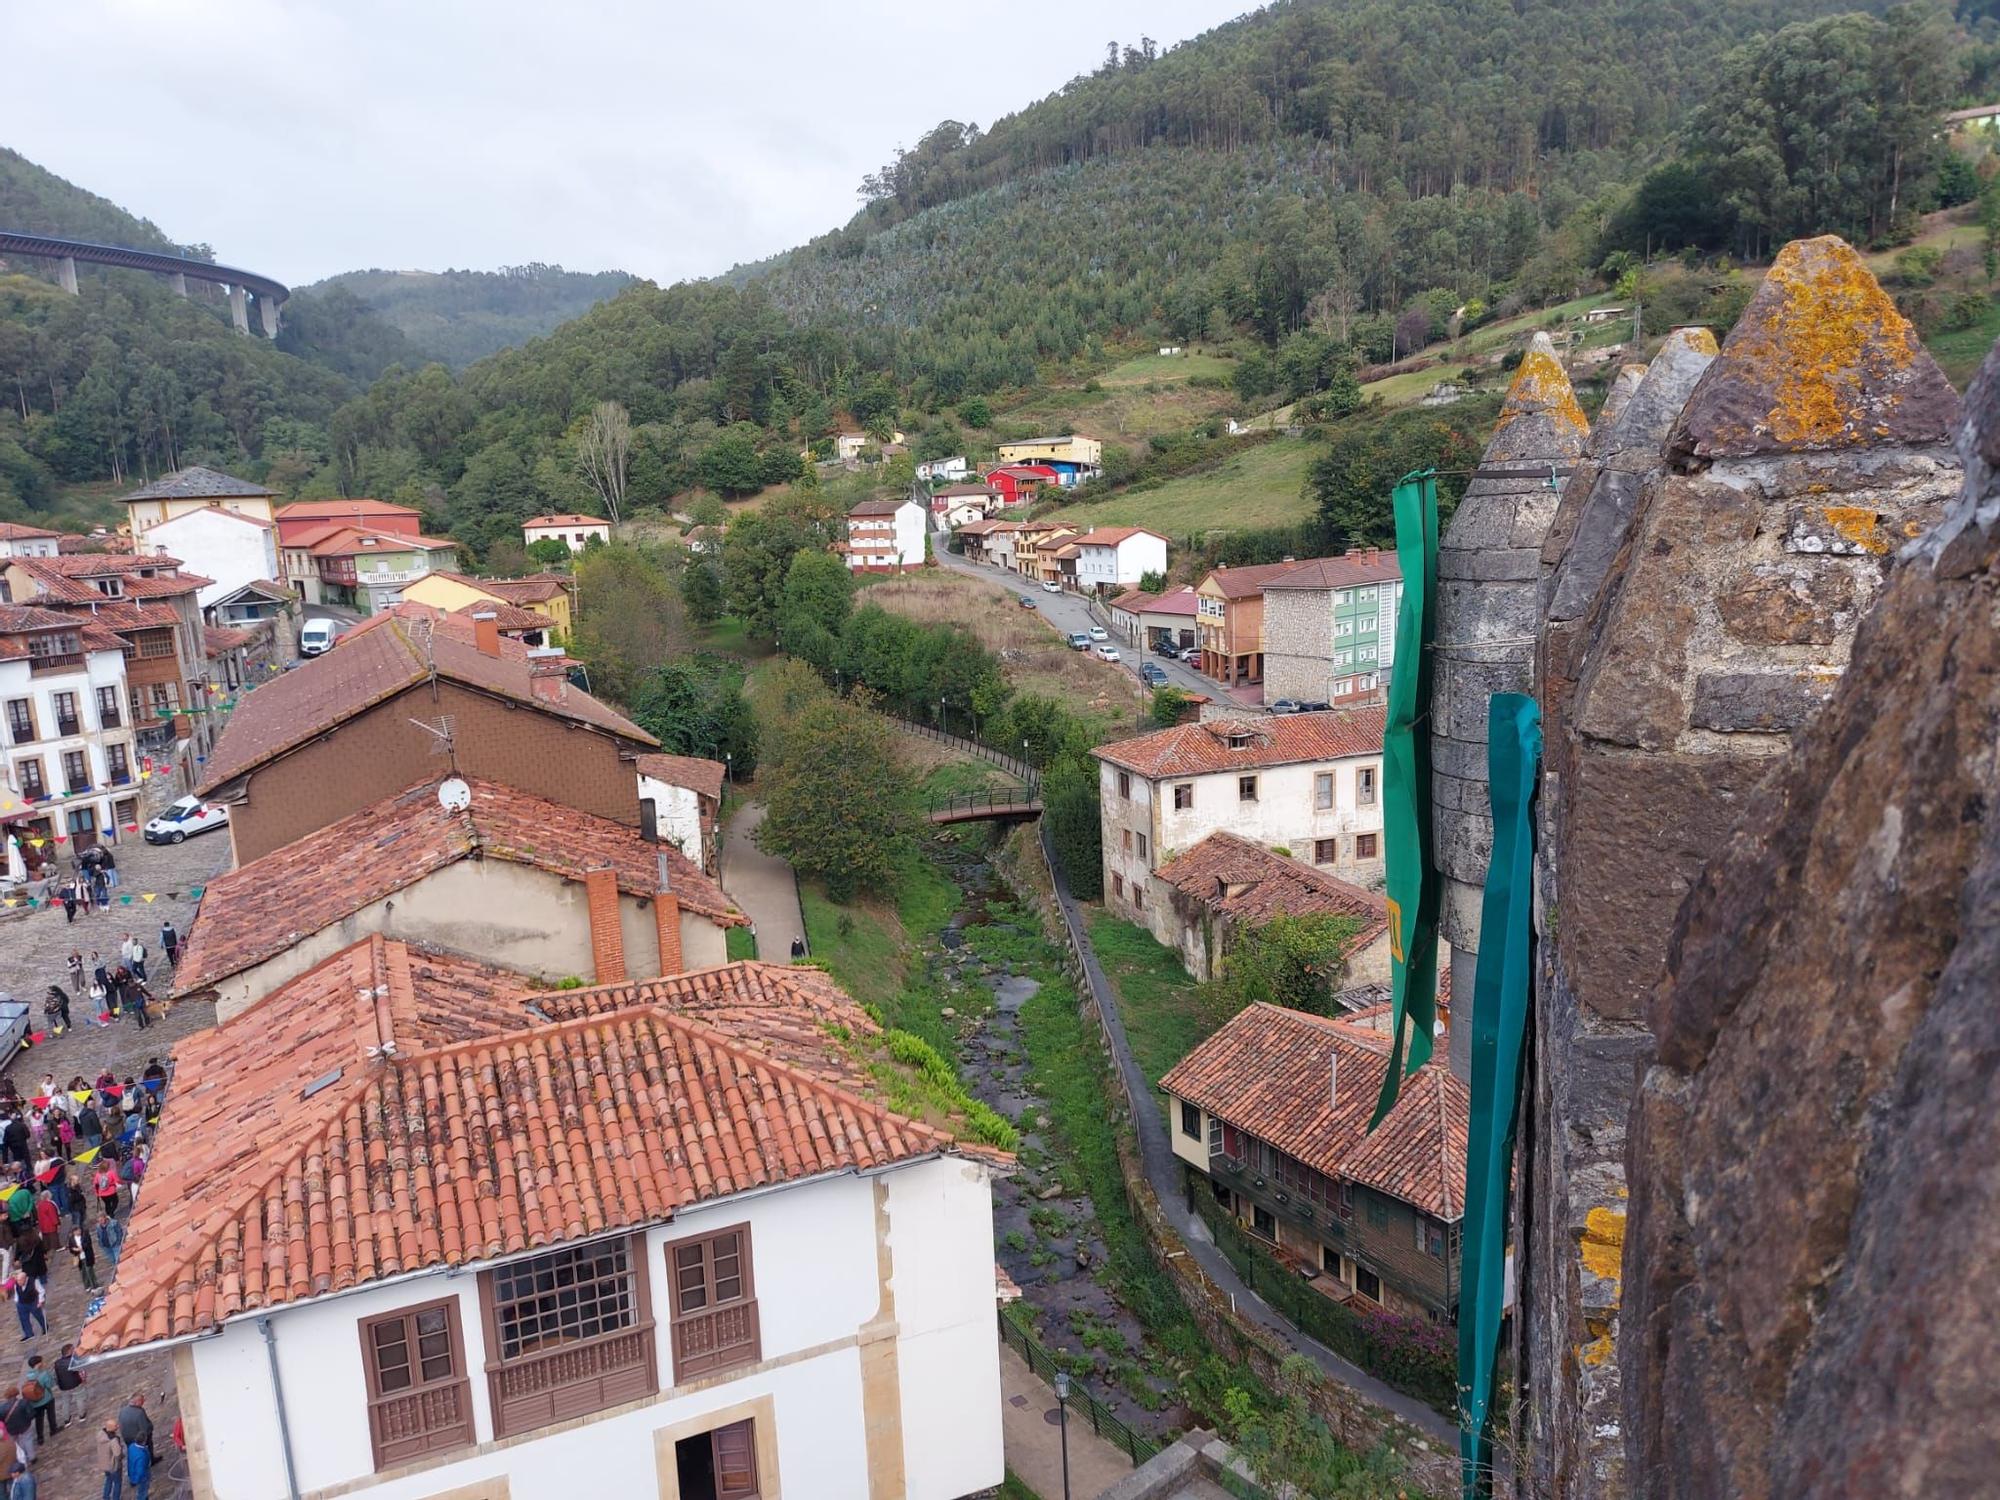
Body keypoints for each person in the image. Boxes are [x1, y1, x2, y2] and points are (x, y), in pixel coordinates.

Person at [21, 1357, 53, 1443]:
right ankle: (53, 1429)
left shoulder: (27, 1376)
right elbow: (49, 1385)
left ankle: (40, 1437)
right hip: (47, 1398)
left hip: (34, 1402)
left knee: (39, 1420)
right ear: (38, 1364)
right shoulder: (43, 1374)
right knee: (51, 1415)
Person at [51, 1346, 81, 1430]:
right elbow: (80, 1371)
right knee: (79, 1399)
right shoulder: (73, 1361)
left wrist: (58, 1384)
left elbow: (55, 1376)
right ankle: (82, 1415)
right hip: (75, 1383)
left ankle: (66, 1420)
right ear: (69, 1351)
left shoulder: (57, 1363)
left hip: (64, 1386)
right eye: (73, 1349)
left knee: (65, 1402)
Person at [8, 1274, 44, 1343]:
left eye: (20, 1280)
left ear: (24, 1279)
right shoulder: (17, 1284)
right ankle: (29, 1334)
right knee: (23, 1319)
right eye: (18, 1280)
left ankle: (44, 1327)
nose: (18, 1282)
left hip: (32, 1302)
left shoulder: (34, 1281)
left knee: (38, 1315)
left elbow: (41, 1291)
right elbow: (17, 1294)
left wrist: (41, 1301)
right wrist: (17, 1302)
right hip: (22, 1303)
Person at [0, 1390, 28, 1465]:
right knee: (26, 1440)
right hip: (23, 1426)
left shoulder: (2, 1408)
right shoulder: (22, 1402)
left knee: (16, 1443)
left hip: (11, 1430)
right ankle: (28, 1456)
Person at [97, 1419, 123, 1500]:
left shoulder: (101, 1434)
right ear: (111, 1428)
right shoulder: (113, 1440)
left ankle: (106, 1497)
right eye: (115, 1426)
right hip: (113, 1466)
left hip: (104, 1464)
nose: (117, 1426)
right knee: (117, 1483)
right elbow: (117, 1454)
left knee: (108, 1480)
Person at [67, 1226, 95, 1292]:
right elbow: (71, 1249)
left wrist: (82, 1248)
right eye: (77, 1231)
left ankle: (94, 1285)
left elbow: (88, 1243)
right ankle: (87, 1286)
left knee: (89, 1271)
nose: (79, 1231)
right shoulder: (71, 1239)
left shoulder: (85, 1235)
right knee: (83, 1272)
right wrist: (75, 1249)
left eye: (79, 1230)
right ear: (74, 1232)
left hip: (87, 1255)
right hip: (79, 1257)